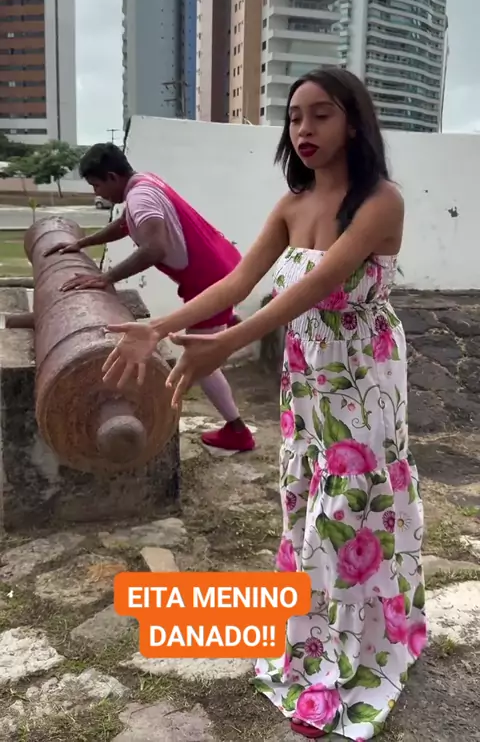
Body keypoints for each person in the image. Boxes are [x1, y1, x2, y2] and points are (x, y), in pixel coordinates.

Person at [101, 68, 426, 740]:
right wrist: (156, 327)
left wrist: (227, 344)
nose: (303, 129)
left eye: (321, 114)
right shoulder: (291, 203)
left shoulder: (381, 201)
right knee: (306, 500)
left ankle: (355, 656)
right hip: (308, 373)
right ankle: (314, 639)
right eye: (295, 116)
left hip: (362, 370)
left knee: (351, 507)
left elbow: (316, 286)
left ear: (354, 123)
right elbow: (237, 282)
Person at [44, 142, 255, 453]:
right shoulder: (144, 183)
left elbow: (154, 248)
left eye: (97, 185)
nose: (97, 192)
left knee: (199, 361)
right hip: (221, 263)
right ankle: (226, 322)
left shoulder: (140, 197)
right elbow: (125, 224)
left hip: (209, 279)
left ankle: (238, 431)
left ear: (112, 177)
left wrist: (106, 278)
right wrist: (83, 243)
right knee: (208, 336)